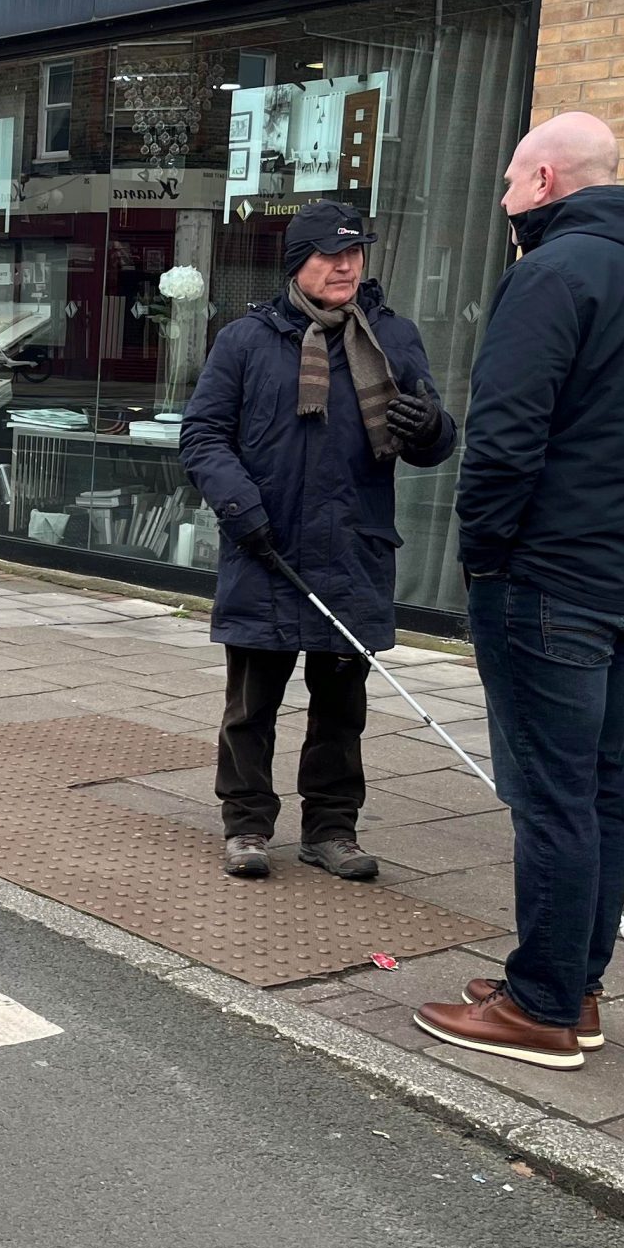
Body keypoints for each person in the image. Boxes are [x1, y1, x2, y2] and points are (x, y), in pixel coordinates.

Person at [416, 114, 624, 1071]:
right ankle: (573, 981)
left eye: (512, 186)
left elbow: (506, 439)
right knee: (604, 790)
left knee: (552, 796)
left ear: (544, 180)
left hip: (550, 577)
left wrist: (482, 555)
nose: (507, 205)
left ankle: (543, 1007)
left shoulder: (552, 273)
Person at [181, 199, 455, 883]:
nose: (345, 265)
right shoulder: (246, 341)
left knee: (341, 708)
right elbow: (203, 435)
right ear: (296, 264)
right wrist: (241, 508)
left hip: (352, 548)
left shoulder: (394, 336)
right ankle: (246, 823)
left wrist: (431, 428)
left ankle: (330, 829)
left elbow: (434, 443)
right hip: (265, 544)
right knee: (252, 704)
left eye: (355, 252)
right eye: (330, 254)